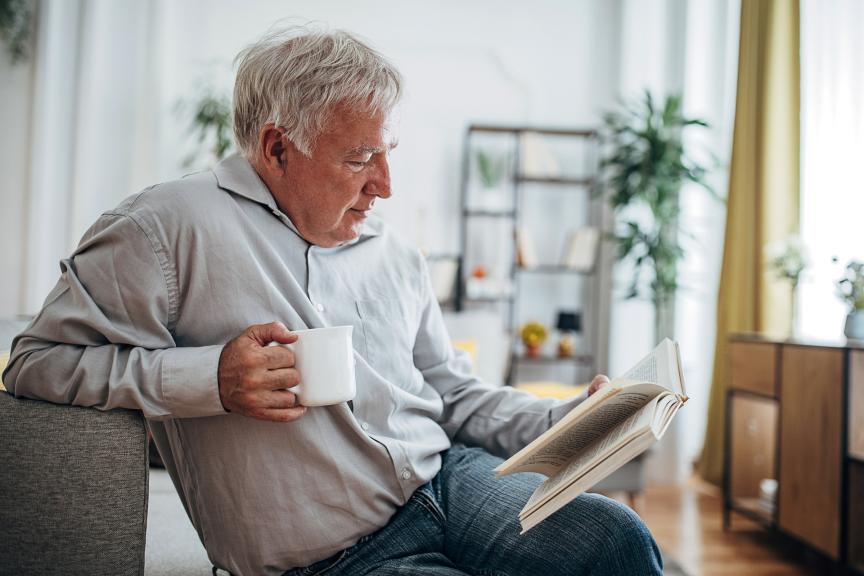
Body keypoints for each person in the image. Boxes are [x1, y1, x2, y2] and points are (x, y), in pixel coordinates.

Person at [3, 26, 662, 576]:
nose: (386, 185)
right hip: (330, 556)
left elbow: (453, 395)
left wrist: (574, 422)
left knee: (616, 540)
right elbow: (34, 361)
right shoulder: (165, 228)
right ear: (277, 147)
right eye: (361, 158)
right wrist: (211, 379)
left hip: (448, 481)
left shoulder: (392, 250)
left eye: (388, 153)